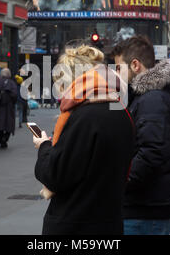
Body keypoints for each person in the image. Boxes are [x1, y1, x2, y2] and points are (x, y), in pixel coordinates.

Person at [33, 45, 135, 235]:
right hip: (109, 222)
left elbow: (56, 176)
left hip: (77, 224)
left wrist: (43, 146)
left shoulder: (85, 117)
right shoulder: (119, 110)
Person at [111, 35, 170, 235]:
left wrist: (118, 183)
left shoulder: (152, 100)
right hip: (150, 205)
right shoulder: (146, 97)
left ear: (135, 65)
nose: (116, 74)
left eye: (119, 68)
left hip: (146, 209)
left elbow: (151, 153)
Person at [0, 68, 18, 149]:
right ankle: (5, 138)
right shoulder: (12, 83)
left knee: (0, 125)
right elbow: (15, 95)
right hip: (8, 106)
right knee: (9, 123)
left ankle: (1, 141)